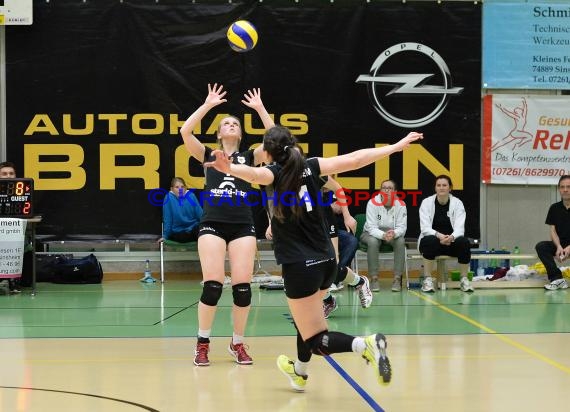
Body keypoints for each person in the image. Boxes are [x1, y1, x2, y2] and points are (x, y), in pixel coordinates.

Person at [204, 124, 423, 390]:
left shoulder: (273, 173)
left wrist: (229, 169)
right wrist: (396, 147)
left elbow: (251, 173)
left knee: (317, 338)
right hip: (327, 262)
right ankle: (299, 370)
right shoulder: (312, 165)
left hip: (300, 266)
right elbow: (355, 159)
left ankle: (364, 344)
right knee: (305, 319)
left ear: (269, 154)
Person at [180, 84, 274, 366]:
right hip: (212, 224)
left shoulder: (250, 157)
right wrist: (208, 105)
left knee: (243, 287)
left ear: (240, 133)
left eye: (235, 123)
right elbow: (186, 132)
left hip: (242, 226)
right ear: (219, 133)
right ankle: (202, 343)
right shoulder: (208, 155)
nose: (231, 125)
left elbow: (277, 140)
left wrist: (259, 109)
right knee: (213, 285)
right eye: (226, 124)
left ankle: (238, 343)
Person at [320, 177, 371, 318]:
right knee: (307, 272)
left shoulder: (313, 172)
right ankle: (329, 300)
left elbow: (338, 190)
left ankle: (358, 282)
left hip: (327, 228)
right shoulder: (286, 181)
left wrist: (347, 216)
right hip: (305, 230)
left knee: (331, 264)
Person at [418, 175, 473, 293]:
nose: (441, 188)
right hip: (433, 244)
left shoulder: (458, 203)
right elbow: (425, 228)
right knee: (429, 240)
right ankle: (427, 280)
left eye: (444, 185)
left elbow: (460, 228)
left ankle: (464, 280)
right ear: (435, 188)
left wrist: (451, 237)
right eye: (439, 185)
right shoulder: (426, 203)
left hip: (451, 244)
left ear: (450, 188)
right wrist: (439, 236)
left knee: (464, 242)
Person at [360, 179, 407, 292]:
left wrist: (394, 233)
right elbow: (371, 227)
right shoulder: (372, 202)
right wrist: (383, 235)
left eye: (389, 188)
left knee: (400, 241)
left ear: (395, 192)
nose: (386, 190)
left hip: (391, 233)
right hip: (370, 233)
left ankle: (397, 279)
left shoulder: (401, 204)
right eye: (384, 188)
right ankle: (374, 278)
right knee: (373, 242)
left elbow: (402, 227)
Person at [535, 175, 570, 290]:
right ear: (559, 189)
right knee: (541, 246)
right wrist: (558, 246)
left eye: (568, 187)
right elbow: (553, 230)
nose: (565, 190)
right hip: (560, 244)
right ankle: (557, 279)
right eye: (562, 187)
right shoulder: (554, 208)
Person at [0, 161, 21, 293]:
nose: (8, 176)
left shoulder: (22, 190)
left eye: (11, 173)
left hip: (14, 232)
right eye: (4, 174)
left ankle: (13, 279)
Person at [161, 177, 203, 243]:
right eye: (177, 187)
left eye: (182, 187)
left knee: (200, 231)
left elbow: (200, 214)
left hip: (193, 228)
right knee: (181, 237)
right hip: (179, 231)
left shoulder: (191, 196)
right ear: (172, 189)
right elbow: (167, 219)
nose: (180, 189)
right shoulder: (168, 198)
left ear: (185, 188)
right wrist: (165, 236)